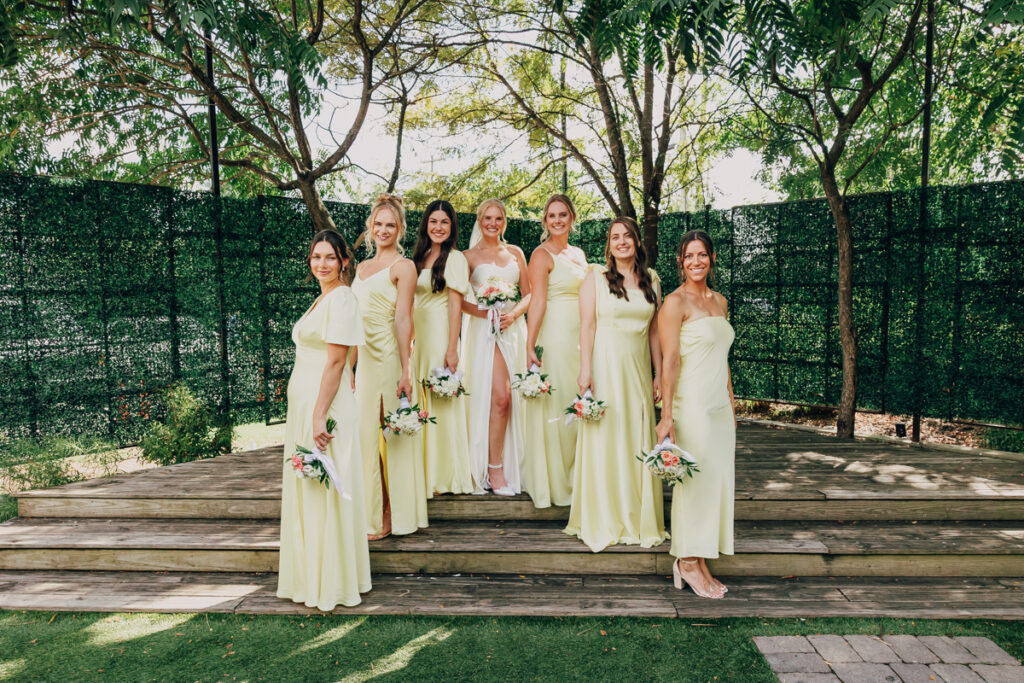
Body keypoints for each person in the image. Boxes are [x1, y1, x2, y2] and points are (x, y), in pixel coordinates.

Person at [277, 229, 371, 610]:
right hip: (306, 405)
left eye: (330, 257)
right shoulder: (322, 300)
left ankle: (332, 582)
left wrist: (319, 414)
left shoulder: (343, 298)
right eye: (316, 257)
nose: (322, 264)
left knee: (326, 488)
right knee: (311, 489)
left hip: (325, 407)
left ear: (344, 261)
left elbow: (336, 361)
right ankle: (310, 577)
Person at [564, 217, 667, 552]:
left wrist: (659, 373)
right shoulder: (595, 277)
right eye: (615, 237)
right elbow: (587, 326)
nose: (621, 242)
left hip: (637, 371)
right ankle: (605, 515)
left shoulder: (652, 279)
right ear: (609, 245)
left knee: (636, 435)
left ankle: (636, 515)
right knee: (607, 437)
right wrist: (585, 371)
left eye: (627, 236)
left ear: (637, 241)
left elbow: (655, 331)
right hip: (604, 367)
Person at [656, 229, 735, 599]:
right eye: (689, 256)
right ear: (680, 262)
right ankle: (686, 561)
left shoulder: (720, 302)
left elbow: (723, 358)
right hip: (692, 406)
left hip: (719, 408)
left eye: (702, 254)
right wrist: (666, 416)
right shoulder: (674, 303)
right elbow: (670, 361)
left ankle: (699, 559)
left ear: (712, 258)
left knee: (714, 483)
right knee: (695, 485)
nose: (696, 261)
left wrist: (731, 404)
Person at [351, 194, 428, 538]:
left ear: (400, 230)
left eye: (390, 225)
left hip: (387, 357)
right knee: (364, 437)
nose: (383, 230)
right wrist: (349, 368)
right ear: (370, 227)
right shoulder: (360, 268)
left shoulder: (404, 267)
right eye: (378, 224)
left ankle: (393, 513)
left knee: (389, 436)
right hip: (363, 360)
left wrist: (406, 369)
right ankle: (372, 509)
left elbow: (403, 320)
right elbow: (352, 323)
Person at [522, 194, 589, 509]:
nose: (557, 220)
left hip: (583, 337)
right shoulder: (541, 254)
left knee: (580, 403)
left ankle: (579, 479)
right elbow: (537, 300)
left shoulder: (579, 253)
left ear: (572, 218)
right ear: (545, 221)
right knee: (559, 404)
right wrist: (530, 343)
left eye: (563, 215)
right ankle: (557, 483)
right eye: (552, 216)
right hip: (557, 336)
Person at [462, 198, 531, 495]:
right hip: (484, 333)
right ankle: (493, 470)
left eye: (498, 218)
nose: (493, 223)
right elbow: (457, 301)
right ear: (479, 221)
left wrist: (513, 315)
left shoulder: (515, 253)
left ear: (504, 222)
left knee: (514, 399)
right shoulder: (466, 257)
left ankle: (515, 466)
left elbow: (529, 294)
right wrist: (485, 312)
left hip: (513, 331)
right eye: (487, 218)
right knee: (499, 399)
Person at [411, 199, 474, 497]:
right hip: (418, 339)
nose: (438, 227)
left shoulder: (456, 259)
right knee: (421, 401)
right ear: (426, 224)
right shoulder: (418, 257)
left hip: (440, 334)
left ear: (452, 227)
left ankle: (445, 475)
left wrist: (452, 348)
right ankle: (424, 472)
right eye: (433, 221)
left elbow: (455, 306)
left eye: (444, 222)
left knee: (442, 400)